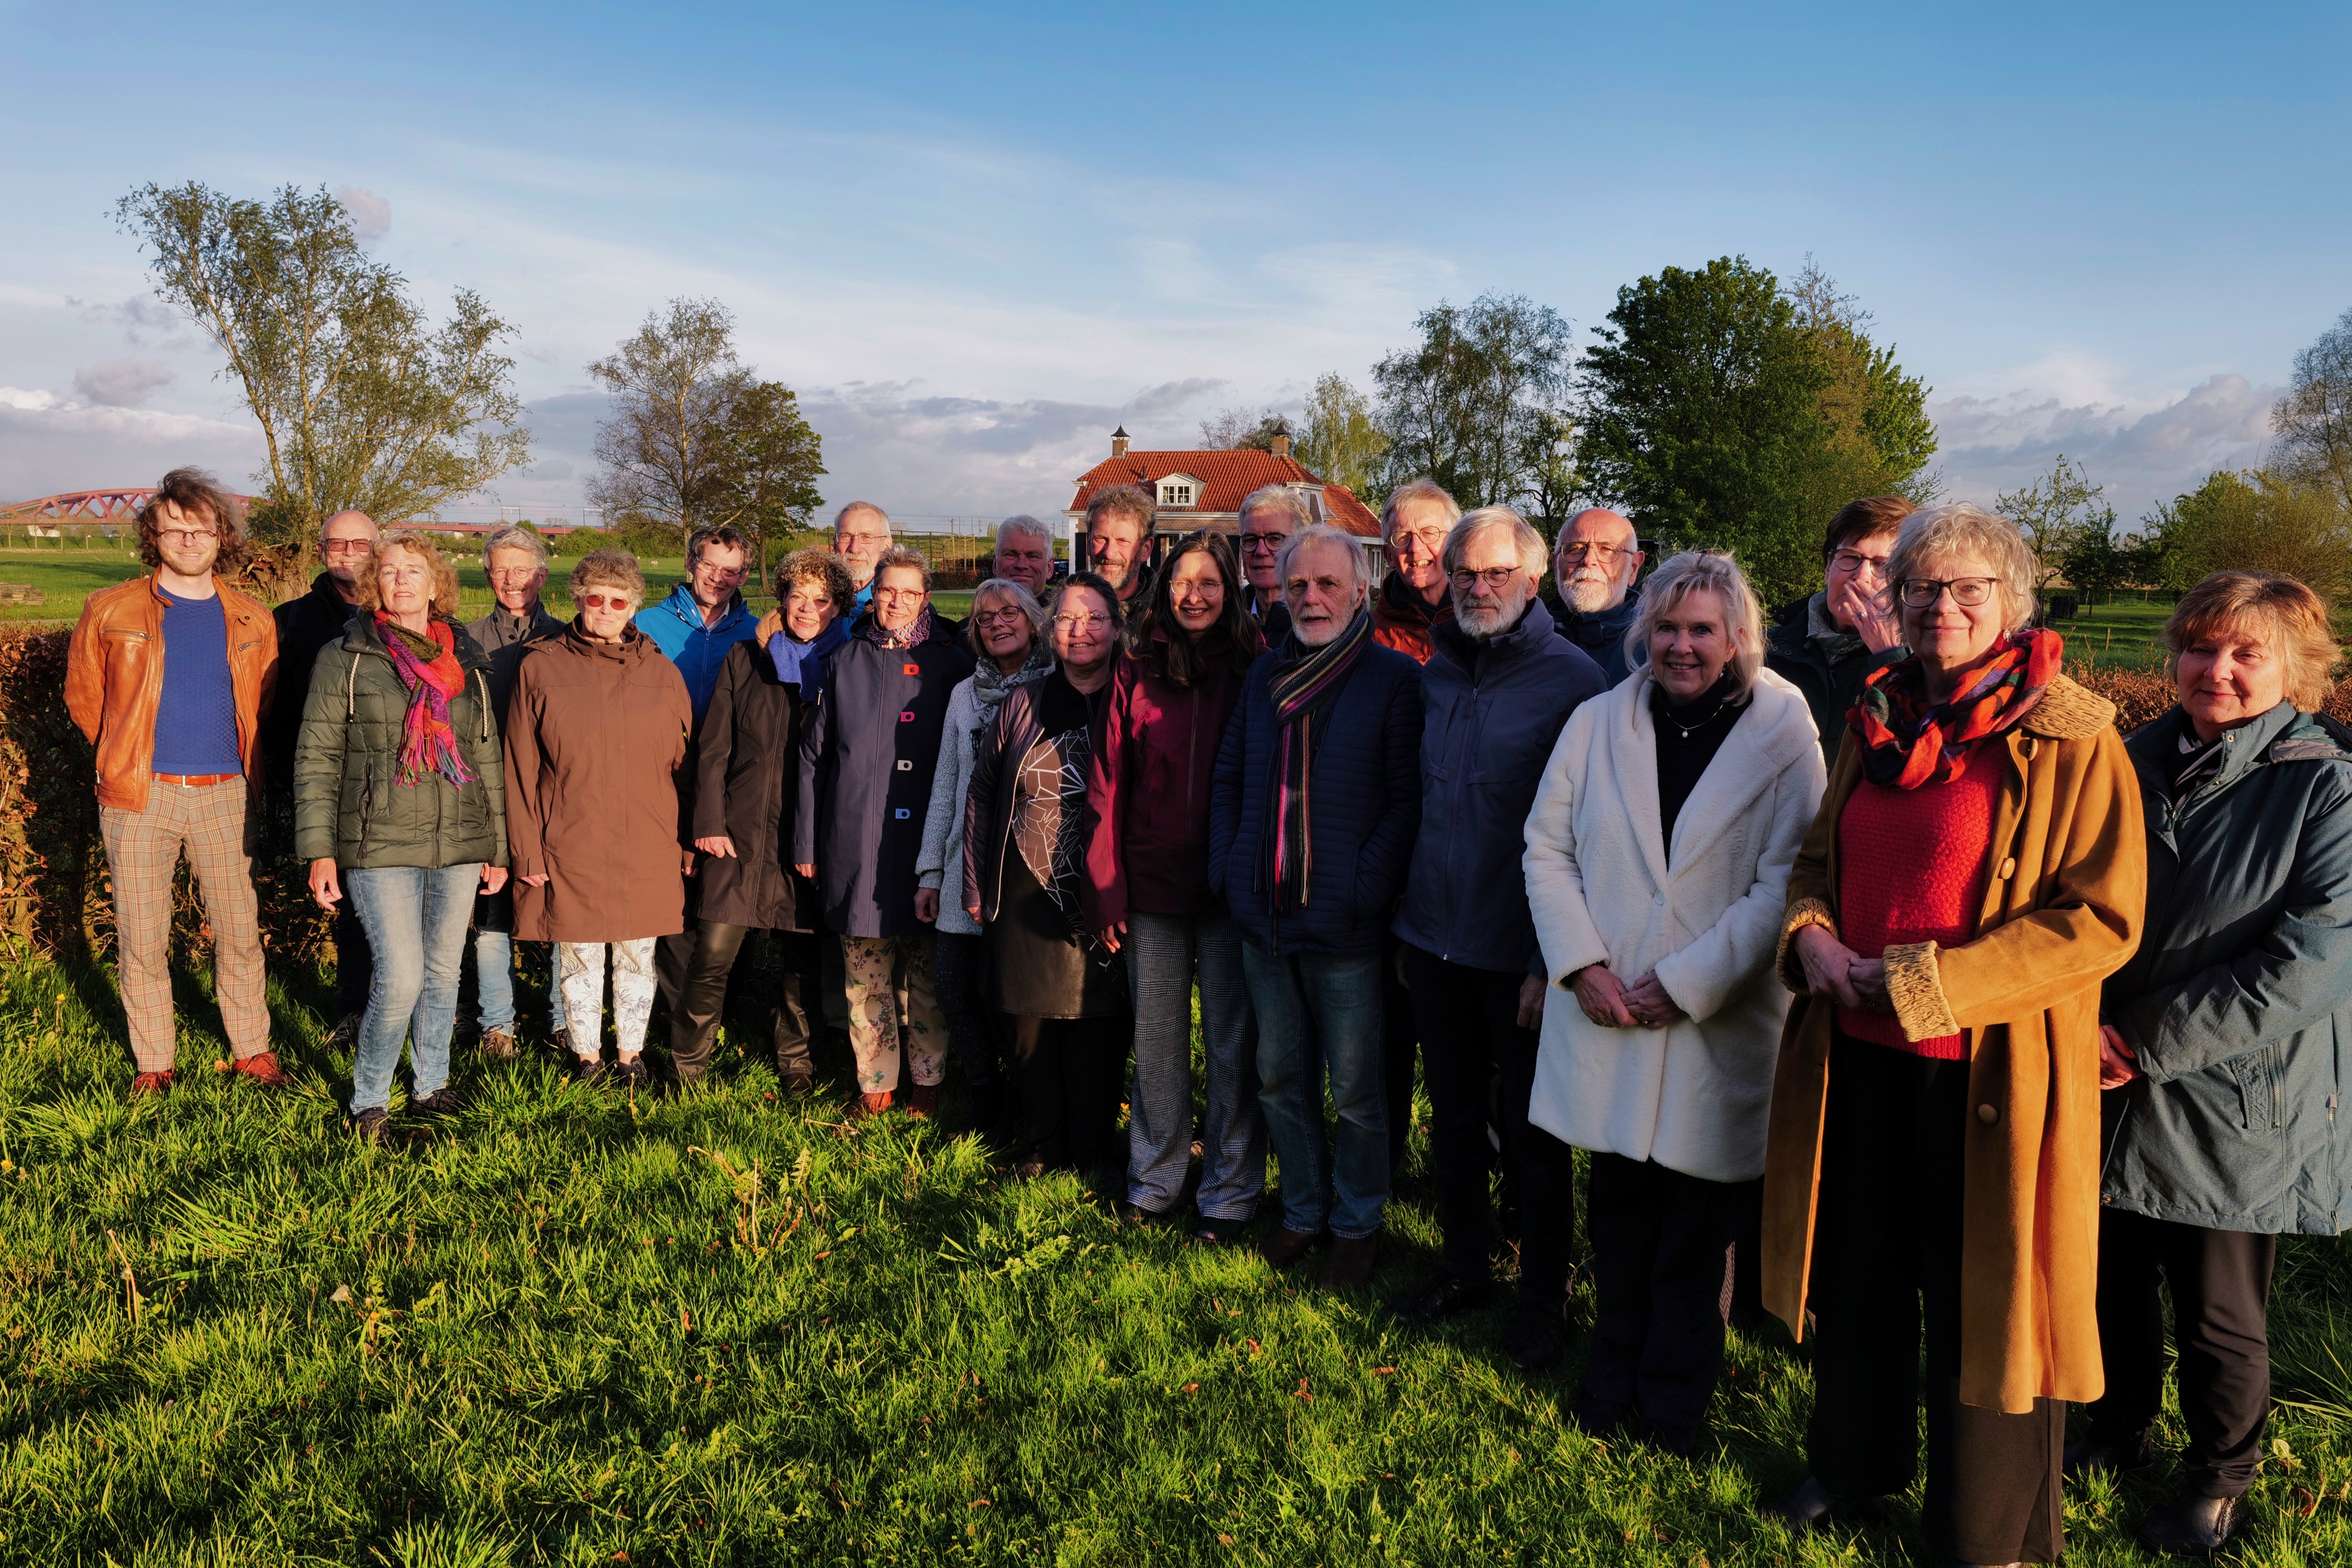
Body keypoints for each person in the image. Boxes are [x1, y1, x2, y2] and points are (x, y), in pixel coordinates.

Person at [1762, 502, 2145, 1567]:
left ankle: (1988, 1531)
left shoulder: (2072, 732)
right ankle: (1853, 1465)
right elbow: (1815, 864)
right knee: (1862, 1279)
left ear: (2012, 602)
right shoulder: (1875, 718)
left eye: (1971, 587)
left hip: (1990, 1072)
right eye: (1925, 586)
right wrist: (1811, 936)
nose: (1945, 605)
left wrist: (1926, 985)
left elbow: (2100, 919)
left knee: (1991, 1302)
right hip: (1858, 1058)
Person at [2076, 571, 2352, 1558]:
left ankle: (2219, 1479)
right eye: (2201, 646)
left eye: (2247, 652)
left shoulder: (2326, 784)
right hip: (2102, 1076)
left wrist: (2143, 1039)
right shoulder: (2126, 758)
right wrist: (2082, 1021)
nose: (2218, 669)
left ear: (2296, 670)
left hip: (2236, 1094)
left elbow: (2311, 960)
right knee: (2109, 1277)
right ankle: (2117, 1426)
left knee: (2218, 1310)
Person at [1523, 551, 1826, 1446]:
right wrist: (1582, 965)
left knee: (1696, 1237)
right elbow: (1547, 848)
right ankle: (1607, 1380)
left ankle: (1672, 1405)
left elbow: (1787, 880)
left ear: (1738, 638)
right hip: (1610, 1009)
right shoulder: (1595, 723)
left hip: (1713, 1022)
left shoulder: (1784, 731)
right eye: (1666, 627)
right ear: (1643, 633)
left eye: (1702, 630)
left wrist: (1688, 983)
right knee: (1618, 1218)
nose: (1682, 646)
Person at [1385, 507, 1605, 1369]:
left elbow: (1587, 835)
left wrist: (1551, 961)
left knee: (1533, 1134)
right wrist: (1409, 927)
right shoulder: (1436, 668)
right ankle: (1464, 1266)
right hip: (1434, 940)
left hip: (1520, 953)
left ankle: (1544, 1296)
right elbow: (1421, 800)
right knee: (1453, 1122)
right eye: (1466, 574)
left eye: (1497, 573)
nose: (1480, 589)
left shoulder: (1575, 682)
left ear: (1533, 578)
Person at [1210, 524, 1423, 1289]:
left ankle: (1357, 1223)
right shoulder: (1265, 674)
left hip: (1347, 927)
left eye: (1328, 584)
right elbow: (1230, 779)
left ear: (1360, 591)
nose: (1312, 598)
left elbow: (1406, 801)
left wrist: (1361, 890)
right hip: (1264, 916)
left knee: (1358, 1090)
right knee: (1279, 1078)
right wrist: (1232, 871)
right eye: (1299, 585)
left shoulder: (1393, 678)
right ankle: (1303, 1210)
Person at [65, 468, 283, 1098]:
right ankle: (154, 1062)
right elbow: (85, 697)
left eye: (202, 530)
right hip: (140, 795)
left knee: (239, 932)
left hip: (227, 793)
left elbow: (262, 705)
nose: (190, 541)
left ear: (222, 538)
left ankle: (252, 1050)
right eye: (175, 530)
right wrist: (121, 755)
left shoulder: (253, 619)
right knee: (141, 936)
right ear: (153, 536)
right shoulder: (109, 609)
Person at [294, 531, 508, 1142]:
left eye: (414, 570)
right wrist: (320, 852)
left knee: (443, 973)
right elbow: (316, 757)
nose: (402, 581)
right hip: (378, 841)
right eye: (389, 571)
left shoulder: (465, 660)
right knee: (402, 977)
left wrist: (498, 847)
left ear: (437, 584)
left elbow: (485, 755)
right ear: (374, 585)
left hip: (458, 841)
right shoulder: (347, 656)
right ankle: (368, 1102)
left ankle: (430, 1085)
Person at [1085, 532, 1267, 1237]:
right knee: (1157, 1041)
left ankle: (1229, 1189)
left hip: (1228, 890)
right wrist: (1106, 887)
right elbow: (1107, 780)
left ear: (1230, 590)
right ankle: (1156, 1178)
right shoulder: (1137, 665)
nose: (1195, 596)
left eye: (1209, 583)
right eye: (1182, 582)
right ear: (1164, 589)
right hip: (1151, 887)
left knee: (1231, 1043)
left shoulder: (1254, 664)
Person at [795, 544, 974, 1118]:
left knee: (926, 973)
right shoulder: (844, 659)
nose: (896, 602)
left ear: (927, 597)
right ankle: (875, 1081)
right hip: (856, 841)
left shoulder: (952, 662)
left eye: (909, 592)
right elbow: (813, 759)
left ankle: (928, 1078)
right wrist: (807, 842)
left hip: (927, 843)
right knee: (865, 975)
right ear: (872, 593)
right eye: (886, 590)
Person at [503, 550, 693, 1085]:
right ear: (578, 599)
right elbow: (519, 766)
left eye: (618, 601)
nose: (606, 610)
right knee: (580, 958)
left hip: (648, 841)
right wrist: (527, 850)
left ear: (634, 607)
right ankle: (587, 1059)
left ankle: (631, 1058)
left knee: (638, 956)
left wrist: (684, 841)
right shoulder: (540, 668)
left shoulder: (662, 673)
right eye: (595, 598)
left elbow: (686, 768)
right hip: (571, 838)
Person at [669, 550, 853, 1093]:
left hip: (808, 837)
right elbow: (712, 749)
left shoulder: (848, 664)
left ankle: (797, 1064)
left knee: (801, 962)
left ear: (838, 607)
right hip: (739, 833)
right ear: (782, 599)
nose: (807, 608)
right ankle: (687, 1067)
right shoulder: (746, 658)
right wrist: (708, 822)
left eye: (821, 600)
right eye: (798, 596)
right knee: (712, 955)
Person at [965, 573, 1128, 1180]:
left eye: (1094, 619)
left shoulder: (1134, 697)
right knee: (1028, 1024)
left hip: (1107, 890)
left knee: (1099, 1027)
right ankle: (1041, 1146)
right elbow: (983, 793)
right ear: (1049, 629)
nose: (1080, 631)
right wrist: (976, 884)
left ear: (1117, 629)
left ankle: (1092, 1150)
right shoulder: (1022, 702)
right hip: (1022, 887)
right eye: (1066, 619)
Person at [916, 577, 1053, 1137]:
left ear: (1033, 620)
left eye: (1009, 613)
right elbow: (945, 786)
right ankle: (983, 1091)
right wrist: (930, 870)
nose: (997, 623)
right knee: (953, 985)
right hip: (962, 865)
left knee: (1011, 994)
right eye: (984, 618)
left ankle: (1025, 1097)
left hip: (1024, 867)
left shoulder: (1055, 685)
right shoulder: (963, 696)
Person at [267, 506, 381, 1047]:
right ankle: (354, 1011)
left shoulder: (402, 613)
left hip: (392, 781)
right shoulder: (290, 620)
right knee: (353, 906)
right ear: (321, 551)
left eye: (361, 545)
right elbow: (274, 708)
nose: (350, 554)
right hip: (331, 783)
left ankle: (420, 1010)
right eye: (339, 545)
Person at [463, 524, 565, 1060]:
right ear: (488, 576)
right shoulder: (467, 640)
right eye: (501, 569)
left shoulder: (568, 639)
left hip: (554, 796)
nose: (511, 579)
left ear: (542, 576)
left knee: (563, 909)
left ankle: (564, 1020)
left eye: (522, 569)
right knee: (493, 910)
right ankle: (497, 1024)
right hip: (487, 793)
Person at [1766, 495, 1915, 762]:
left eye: (1882, 565)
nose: (1861, 575)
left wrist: (1889, 656)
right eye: (1850, 557)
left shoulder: (1923, 662)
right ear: (1828, 567)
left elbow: (1909, 758)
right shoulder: (1768, 649)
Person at [634, 524, 758, 725]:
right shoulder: (643, 625)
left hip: (724, 746)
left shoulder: (757, 635)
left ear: (743, 577)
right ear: (691, 563)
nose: (716, 578)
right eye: (708, 565)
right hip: (663, 743)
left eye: (729, 571)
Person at [1548, 508, 1646, 685]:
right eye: (1575, 549)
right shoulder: (1526, 641)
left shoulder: (1656, 647)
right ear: (1556, 565)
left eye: (1606, 549)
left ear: (1633, 568)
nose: (1588, 560)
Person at [1369, 477, 1462, 662]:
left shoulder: (1482, 623)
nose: (1415, 548)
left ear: (1453, 545)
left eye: (1429, 533)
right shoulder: (1367, 638)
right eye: (1402, 537)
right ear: (1389, 555)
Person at [1236, 484, 1311, 641]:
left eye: (1275, 539)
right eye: (1251, 540)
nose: (1261, 551)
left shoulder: (1317, 624)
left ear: (1302, 546)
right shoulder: (1225, 621)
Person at [1084, 484, 1156, 607]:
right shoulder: (1062, 611)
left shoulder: (1167, 614)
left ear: (1146, 549)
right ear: (1088, 542)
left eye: (1123, 541)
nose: (1109, 553)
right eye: (1101, 539)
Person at [833, 501, 894, 615]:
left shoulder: (904, 604)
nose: (855, 549)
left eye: (867, 537)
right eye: (846, 536)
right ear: (835, 544)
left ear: (887, 546)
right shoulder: (813, 597)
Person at [991, 515, 1056, 600]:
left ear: (1049, 568)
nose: (1021, 565)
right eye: (1011, 555)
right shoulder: (980, 608)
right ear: (995, 564)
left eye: (1033, 557)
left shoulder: (1064, 608)